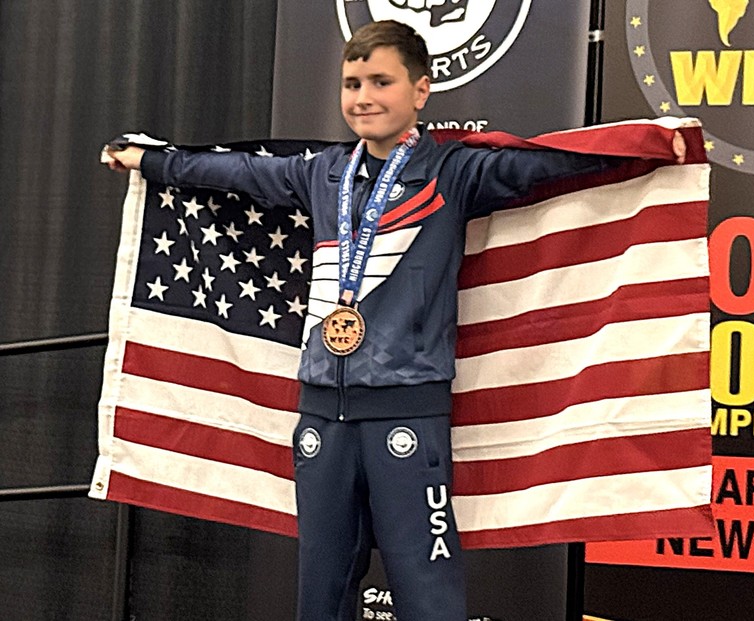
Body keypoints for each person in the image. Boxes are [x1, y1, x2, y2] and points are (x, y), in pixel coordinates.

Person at [105, 19, 687, 621]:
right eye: (352, 83)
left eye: (381, 81)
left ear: (421, 90)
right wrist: (151, 161)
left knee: (427, 594)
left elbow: (547, 164)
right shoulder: (321, 173)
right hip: (319, 414)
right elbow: (239, 173)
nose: (363, 97)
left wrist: (644, 143)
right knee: (320, 593)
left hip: (407, 412)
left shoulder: (453, 173)